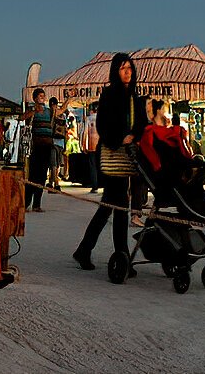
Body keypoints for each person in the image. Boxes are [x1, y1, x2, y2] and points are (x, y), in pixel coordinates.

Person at [74, 53, 146, 273]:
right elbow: (103, 125)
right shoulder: (109, 94)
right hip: (113, 155)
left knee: (109, 207)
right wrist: (118, 139)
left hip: (129, 155)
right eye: (123, 68)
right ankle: (121, 256)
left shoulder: (135, 96)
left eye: (129, 68)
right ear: (115, 70)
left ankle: (87, 251)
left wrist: (134, 135)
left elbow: (142, 121)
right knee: (119, 206)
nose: (127, 72)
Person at [22, 89, 54, 211]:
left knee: (42, 176)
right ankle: (26, 203)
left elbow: (59, 112)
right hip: (36, 147)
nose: (43, 98)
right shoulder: (32, 110)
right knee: (33, 176)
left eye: (43, 96)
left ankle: (37, 204)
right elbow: (22, 118)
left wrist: (68, 100)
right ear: (35, 98)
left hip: (47, 146)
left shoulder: (48, 111)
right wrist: (34, 111)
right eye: (40, 96)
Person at [84, 103, 100, 193]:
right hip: (101, 145)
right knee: (102, 166)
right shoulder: (102, 119)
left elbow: (85, 133)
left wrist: (83, 145)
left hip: (92, 145)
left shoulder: (89, 119)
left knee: (93, 166)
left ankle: (95, 187)